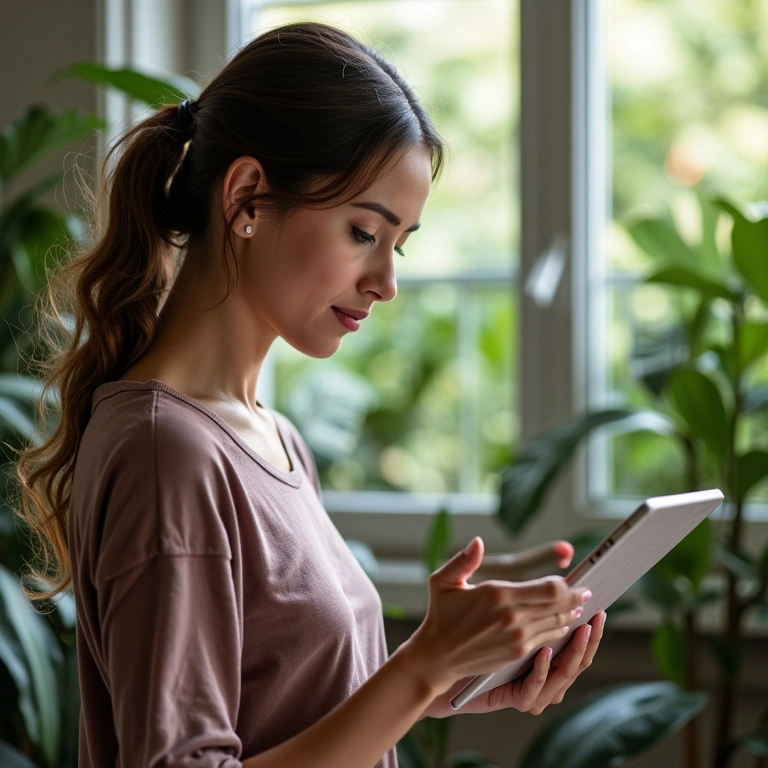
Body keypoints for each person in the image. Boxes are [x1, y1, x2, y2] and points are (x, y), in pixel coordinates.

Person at [18, 21, 604, 768]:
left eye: (399, 245)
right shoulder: (170, 452)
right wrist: (422, 667)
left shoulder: (273, 438)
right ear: (247, 197)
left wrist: (449, 672)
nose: (386, 282)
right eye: (364, 232)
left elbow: (288, 706)